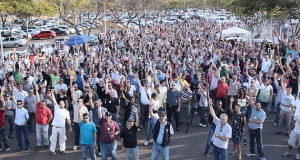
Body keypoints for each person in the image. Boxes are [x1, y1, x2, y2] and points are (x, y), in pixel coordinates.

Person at [49, 89, 72, 155]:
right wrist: (52, 93)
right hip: (55, 127)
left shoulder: (66, 111)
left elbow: (68, 120)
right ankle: (52, 150)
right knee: (53, 139)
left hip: (62, 127)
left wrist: (70, 127)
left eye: (62, 104)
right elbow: (53, 99)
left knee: (62, 139)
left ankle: (62, 149)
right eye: (60, 104)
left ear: (64, 104)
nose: (60, 105)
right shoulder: (56, 107)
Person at [245, 94, 267, 160]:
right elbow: (250, 100)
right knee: (251, 141)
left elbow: (261, 122)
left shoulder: (263, 113)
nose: (257, 106)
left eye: (258, 105)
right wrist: (249, 94)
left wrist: (252, 120)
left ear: (261, 106)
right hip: (251, 128)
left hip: (258, 129)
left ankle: (262, 156)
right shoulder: (253, 108)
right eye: (256, 105)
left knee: (259, 143)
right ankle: (252, 152)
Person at [34, 85, 53, 150]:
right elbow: (37, 98)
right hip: (38, 124)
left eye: (42, 104)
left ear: (45, 104)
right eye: (41, 104)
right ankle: (38, 145)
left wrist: (47, 122)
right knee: (38, 136)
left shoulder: (47, 109)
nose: (41, 105)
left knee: (45, 136)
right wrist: (36, 90)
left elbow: (50, 116)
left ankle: (46, 144)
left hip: (45, 124)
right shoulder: (38, 106)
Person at [71, 86, 89, 150]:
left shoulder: (85, 108)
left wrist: (86, 123)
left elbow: (87, 116)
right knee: (76, 134)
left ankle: (84, 145)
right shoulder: (75, 105)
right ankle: (76, 144)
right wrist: (72, 91)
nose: (79, 102)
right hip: (76, 122)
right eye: (78, 101)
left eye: (80, 101)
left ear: (82, 102)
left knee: (83, 134)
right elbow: (73, 98)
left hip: (82, 123)